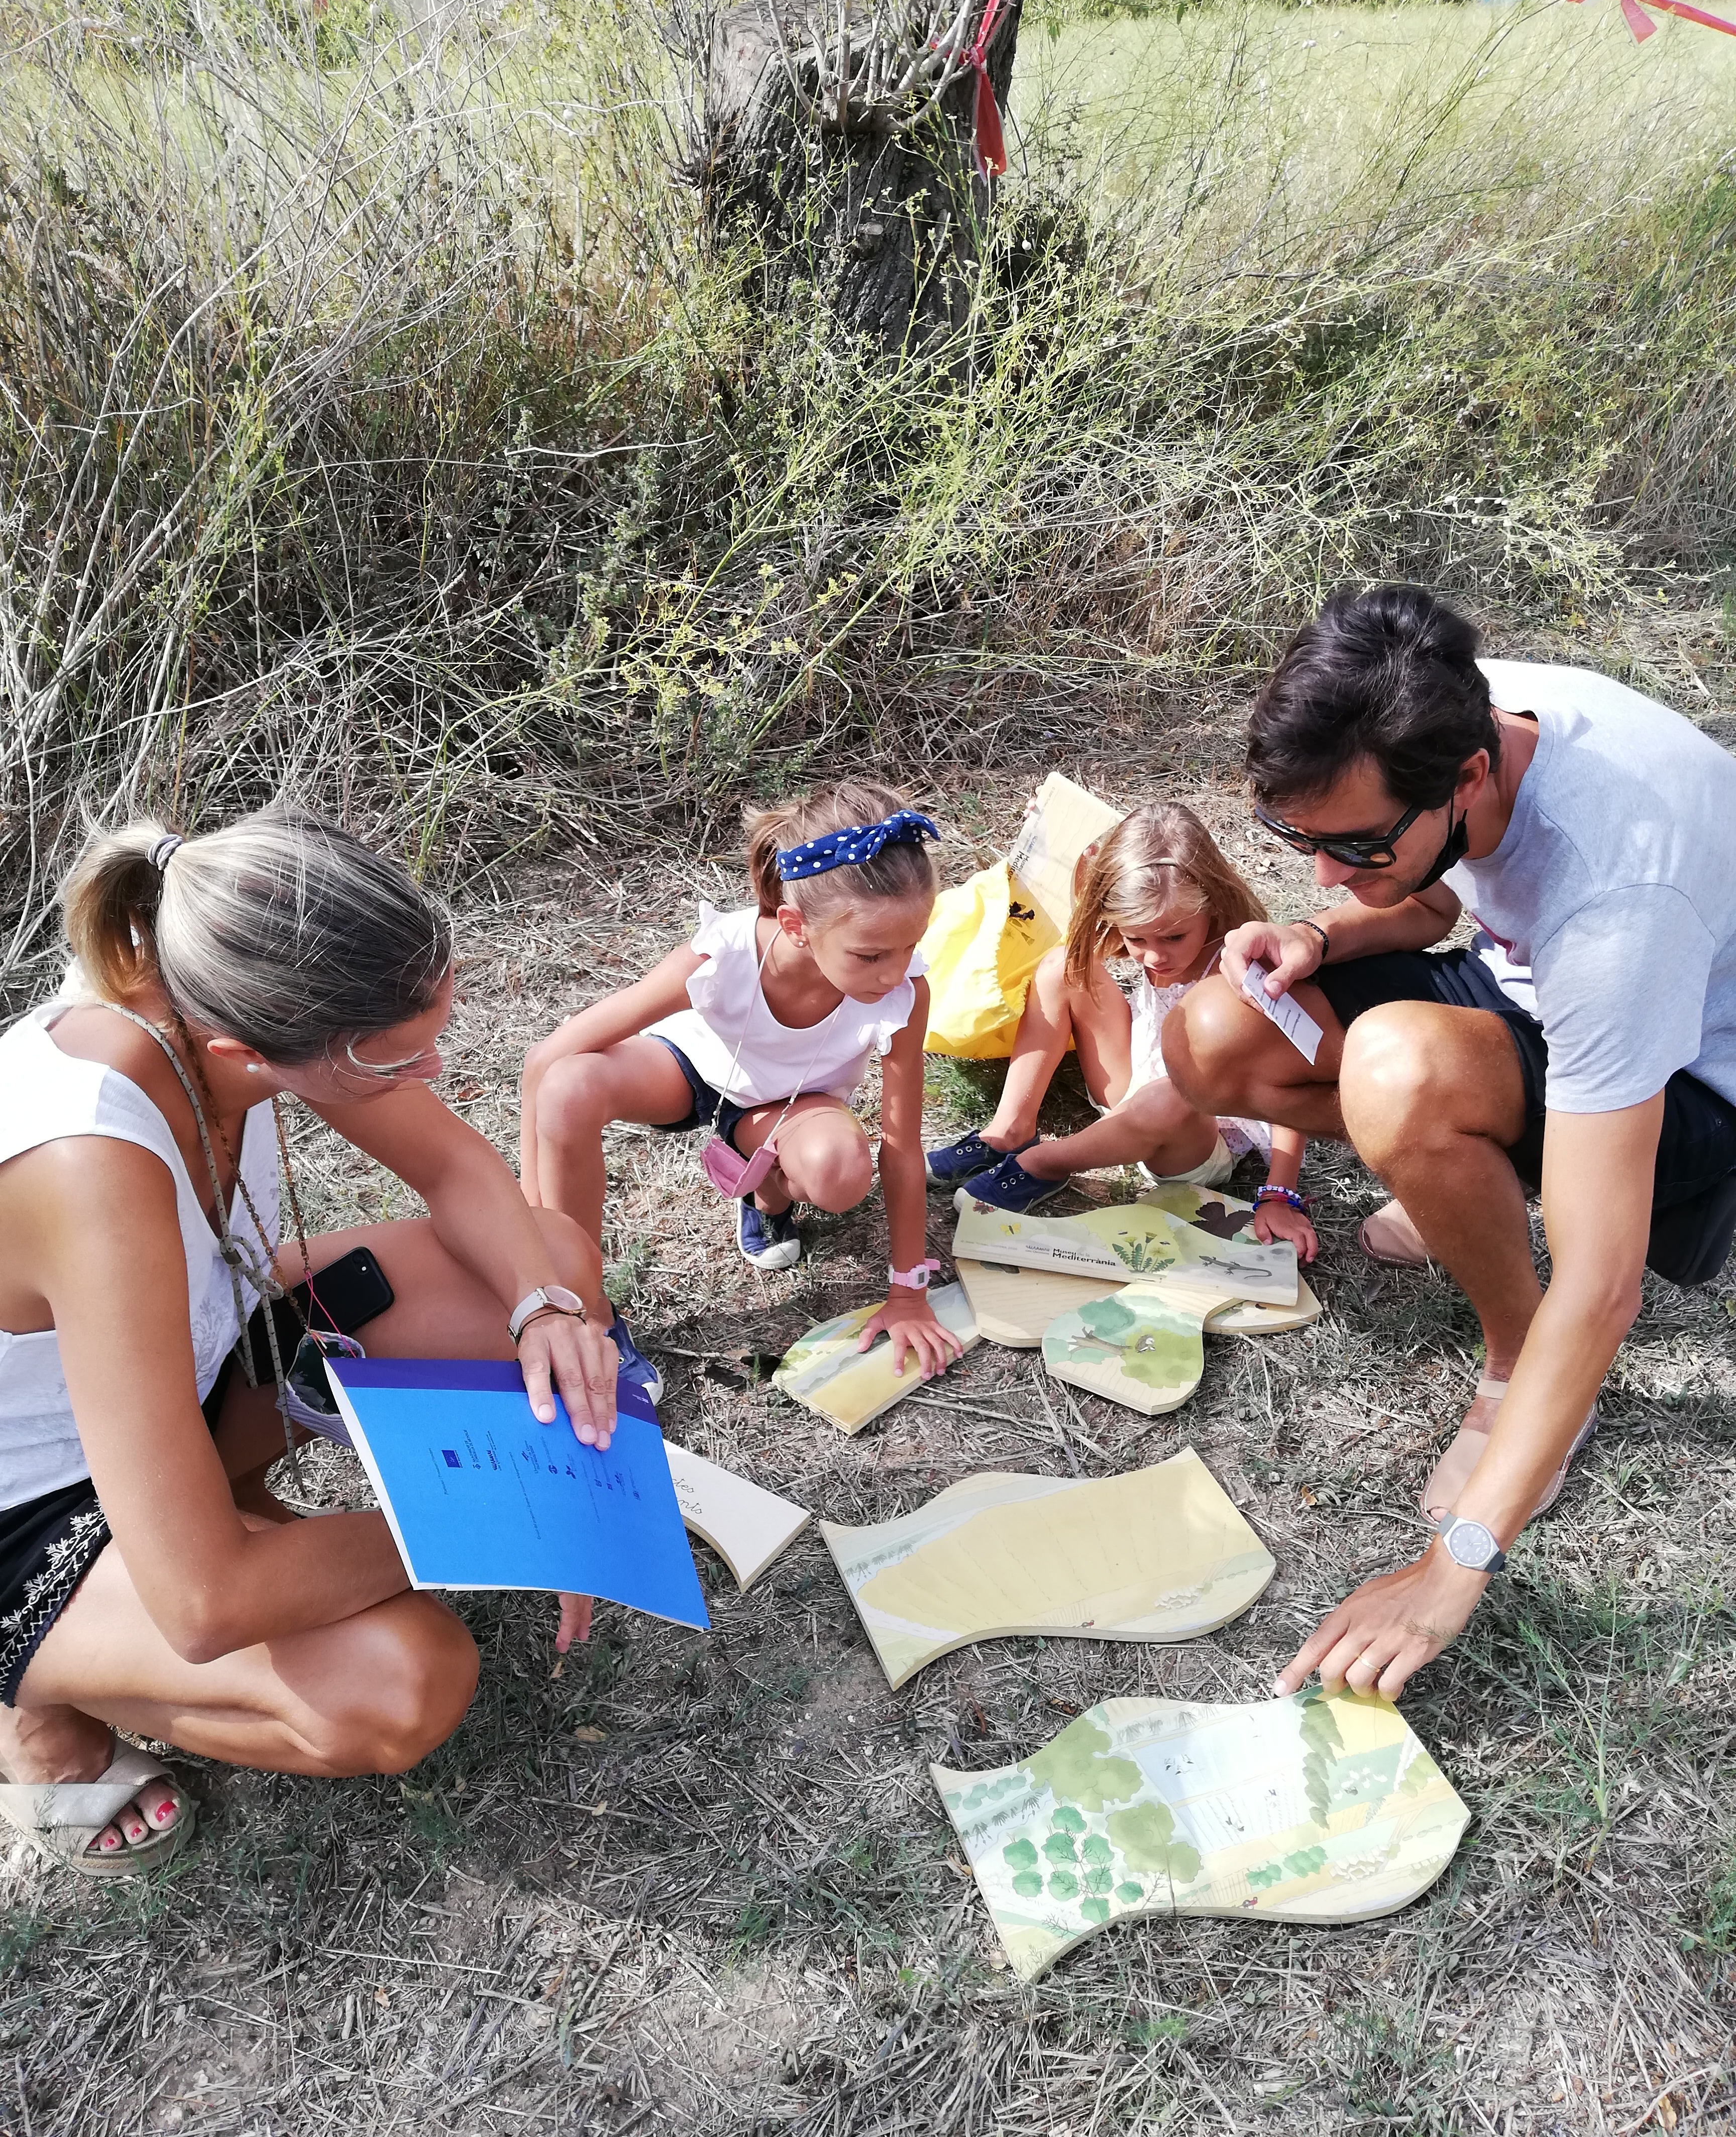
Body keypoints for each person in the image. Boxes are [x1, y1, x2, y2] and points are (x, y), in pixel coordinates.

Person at [0, 806, 621, 1878]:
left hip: (184, 1369)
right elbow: (208, 1604)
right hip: (31, 1505)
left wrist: (546, 1309)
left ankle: (231, 1526)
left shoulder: (228, 991)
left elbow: (460, 1170)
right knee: (402, 1682)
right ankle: (40, 1695)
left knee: (550, 1260)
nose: (431, 1077)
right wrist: (521, 1517)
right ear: (245, 1051)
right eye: (398, 1061)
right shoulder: (86, 1164)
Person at [1162, 584, 1736, 1702]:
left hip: (1689, 1082)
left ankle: (1516, 1359)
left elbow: (1606, 1285)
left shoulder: (1621, 900)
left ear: (1470, 775)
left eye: (1354, 846)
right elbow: (1432, 902)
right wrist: (1319, 930)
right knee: (1218, 1032)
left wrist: (1452, 1567)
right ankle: (1455, 1161)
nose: (1324, 870)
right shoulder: (1458, 707)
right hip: (1537, 999)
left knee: (1399, 1077)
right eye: (1299, 842)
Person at [519, 782, 963, 1381]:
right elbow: (546, 1059)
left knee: (839, 1171)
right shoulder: (724, 953)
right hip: (692, 1071)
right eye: (870, 954)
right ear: (796, 925)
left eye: (911, 944)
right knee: (568, 1087)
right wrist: (527, 1218)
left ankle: (767, 1192)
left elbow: (903, 1147)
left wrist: (909, 1293)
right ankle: (585, 1311)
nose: (893, 971)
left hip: (792, 1105)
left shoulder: (905, 989)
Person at [924, 804, 1318, 1260]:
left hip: (1196, 1134)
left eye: (1173, 938)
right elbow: (1088, 908)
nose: (1153, 957)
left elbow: (1293, 1085)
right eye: (1137, 940)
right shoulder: (1152, 919)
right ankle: (1010, 1130)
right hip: (1136, 1080)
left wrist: (1279, 1194)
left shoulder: (1245, 971)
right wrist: (1053, 834)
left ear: (1212, 904)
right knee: (1063, 965)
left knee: (1175, 1093)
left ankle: (1044, 1163)